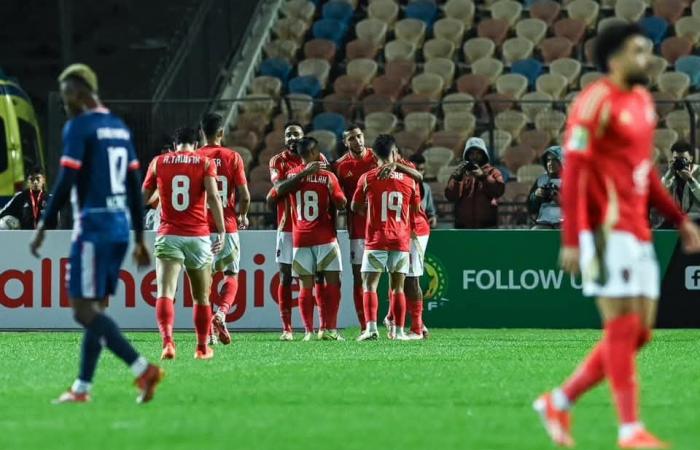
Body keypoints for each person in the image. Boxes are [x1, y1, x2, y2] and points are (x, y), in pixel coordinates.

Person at [533, 24, 700, 449]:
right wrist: (572, 238)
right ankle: (630, 431)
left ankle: (559, 401)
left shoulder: (643, 103)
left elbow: (643, 172)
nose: (648, 58)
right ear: (614, 59)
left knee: (640, 332)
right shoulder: (594, 104)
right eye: (638, 51)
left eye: (648, 50)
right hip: (605, 231)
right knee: (622, 325)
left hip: (638, 230)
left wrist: (679, 219)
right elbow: (575, 175)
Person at [29, 64, 163, 404]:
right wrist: (137, 237)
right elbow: (135, 187)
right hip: (119, 228)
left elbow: (66, 179)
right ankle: (82, 388)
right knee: (97, 310)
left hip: (94, 227)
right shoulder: (118, 127)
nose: (64, 103)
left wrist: (43, 224)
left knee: (81, 310)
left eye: (65, 96)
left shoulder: (80, 126)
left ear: (77, 91)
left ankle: (142, 368)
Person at [142, 127, 226, 361]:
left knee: (165, 293)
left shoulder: (159, 162)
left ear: (175, 143)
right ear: (196, 144)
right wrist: (221, 231)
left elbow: (143, 196)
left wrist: (159, 197)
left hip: (169, 234)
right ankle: (201, 348)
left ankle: (168, 343)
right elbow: (213, 197)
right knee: (201, 296)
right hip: (198, 236)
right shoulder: (204, 162)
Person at [267, 137, 347, 341]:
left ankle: (308, 331)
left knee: (305, 286)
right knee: (333, 283)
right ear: (314, 153)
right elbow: (340, 203)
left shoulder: (292, 176)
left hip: (300, 238)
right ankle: (330, 329)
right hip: (325, 237)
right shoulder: (327, 176)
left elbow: (275, 194)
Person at [351, 134, 420, 341]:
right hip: (400, 239)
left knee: (369, 284)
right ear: (394, 152)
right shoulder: (409, 180)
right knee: (397, 286)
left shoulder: (367, 177)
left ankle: (371, 329)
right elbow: (415, 209)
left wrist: (371, 211)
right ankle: (398, 331)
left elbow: (354, 206)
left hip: (376, 238)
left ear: (374, 154)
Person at [269, 122, 327, 340]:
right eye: (288, 135)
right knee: (285, 277)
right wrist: (304, 174)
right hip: (287, 228)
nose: (291, 137)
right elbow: (278, 188)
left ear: (303, 137)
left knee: (318, 278)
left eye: (296, 134)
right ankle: (287, 329)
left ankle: (322, 327)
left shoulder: (319, 159)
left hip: (315, 229)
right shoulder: (278, 161)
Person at [196, 113, 251, 345]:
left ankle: (207, 331)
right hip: (227, 226)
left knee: (203, 281)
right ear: (221, 133)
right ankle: (222, 312)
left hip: (199, 228)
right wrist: (243, 215)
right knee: (231, 274)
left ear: (202, 133)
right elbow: (245, 196)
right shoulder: (233, 157)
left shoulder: (195, 157)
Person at [381, 149, 433, 340]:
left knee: (411, 278)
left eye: (390, 154)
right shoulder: (376, 169)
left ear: (396, 154)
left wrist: (397, 165)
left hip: (414, 230)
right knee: (396, 275)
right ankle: (391, 316)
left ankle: (417, 327)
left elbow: (418, 179)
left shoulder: (407, 168)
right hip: (395, 229)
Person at [332, 125, 378, 331]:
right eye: (352, 138)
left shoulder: (378, 159)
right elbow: (337, 198)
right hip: (358, 229)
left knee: (390, 275)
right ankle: (364, 326)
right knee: (360, 277)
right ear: (345, 142)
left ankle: (393, 322)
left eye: (359, 136)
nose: (357, 141)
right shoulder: (341, 166)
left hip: (382, 226)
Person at [445, 137, 505, 229]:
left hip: (487, 228)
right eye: (471, 153)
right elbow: (451, 196)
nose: (475, 156)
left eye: (478, 153)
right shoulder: (460, 172)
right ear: (467, 155)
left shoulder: (493, 172)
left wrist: (483, 177)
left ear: (484, 154)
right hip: (463, 229)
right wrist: (457, 179)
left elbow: (499, 191)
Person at [661, 141, 700, 224]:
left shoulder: (699, 172)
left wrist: (691, 180)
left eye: (683, 159)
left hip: (697, 218)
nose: (679, 162)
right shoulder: (671, 174)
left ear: (691, 158)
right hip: (677, 219)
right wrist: (669, 174)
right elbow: (660, 195)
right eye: (676, 159)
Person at [527, 146, 563, 229]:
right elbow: (530, 207)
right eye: (548, 160)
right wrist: (536, 196)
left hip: (565, 222)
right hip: (544, 221)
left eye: (554, 160)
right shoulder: (541, 180)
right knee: (534, 233)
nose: (550, 163)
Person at [408, 153, 438, 228]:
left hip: (420, 230)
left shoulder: (426, 188)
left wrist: (433, 218)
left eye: (421, 170)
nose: (418, 173)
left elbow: (431, 211)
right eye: (416, 169)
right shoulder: (402, 186)